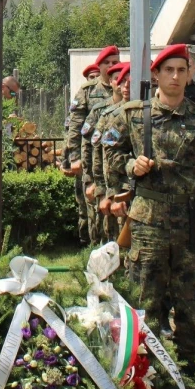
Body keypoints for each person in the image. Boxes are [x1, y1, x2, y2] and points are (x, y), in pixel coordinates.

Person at [105, 44, 195, 389]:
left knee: (190, 307)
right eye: (168, 69)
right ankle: (149, 380)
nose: (175, 76)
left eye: (181, 70)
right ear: (155, 74)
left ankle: (185, 378)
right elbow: (109, 156)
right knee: (147, 301)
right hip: (148, 223)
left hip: (191, 226)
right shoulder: (132, 116)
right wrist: (130, 167)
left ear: (189, 75)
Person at [66, 45, 120, 245]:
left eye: (116, 62)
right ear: (100, 65)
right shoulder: (88, 90)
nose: (112, 66)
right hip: (91, 155)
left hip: (114, 159)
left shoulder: (124, 87)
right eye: (108, 63)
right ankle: (92, 248)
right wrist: (75, 158)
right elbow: (76, 126)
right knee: (92, 209)